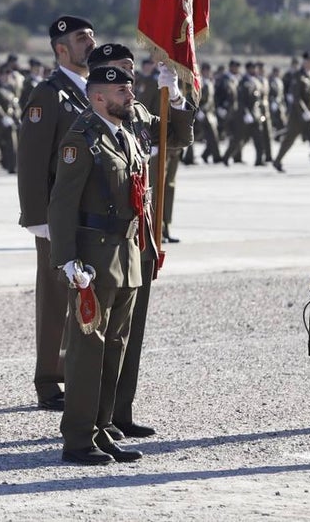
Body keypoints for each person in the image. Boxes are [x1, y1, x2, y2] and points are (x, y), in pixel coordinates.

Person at [86, 44, 195, 438]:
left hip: (139, 235)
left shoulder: (138, 113)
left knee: (129, 333)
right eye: (119, 72)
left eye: (131, 72)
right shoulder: (88, 118)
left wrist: (177, 96)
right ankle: (94, 417)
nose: (130, 80)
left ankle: (120, 411)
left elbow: (177, 137)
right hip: (100, 238)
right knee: (98, 333)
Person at [47, 65, 146, 465]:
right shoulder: (81, 139)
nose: (130, 94)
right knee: (88, 349)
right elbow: (62, 204)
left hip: (126, 252)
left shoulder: (125, 135)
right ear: (98, 97)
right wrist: (67, 260)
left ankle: (102, 428)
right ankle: (78, 438)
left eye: (130, 87)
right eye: (122, 90)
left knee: (114, 349)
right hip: (94, 256)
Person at [16, 15, 96, 412]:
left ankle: (76, 373)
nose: (90, 43)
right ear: (61, 48)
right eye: (82, 38)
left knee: (86, 292)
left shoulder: (95, 92)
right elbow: (31, 161)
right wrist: (37, 218)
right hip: (57, 216)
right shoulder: (48, 95)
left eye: (92, 36)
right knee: (53, 301)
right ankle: (48, 379)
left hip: (92, 214)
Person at [274, 51, 310, 172]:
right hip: (297, 116)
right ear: (305, 62)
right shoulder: (298, 76)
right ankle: (277, 161)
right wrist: (304, 112)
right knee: (289, 140)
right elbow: (296, 97)